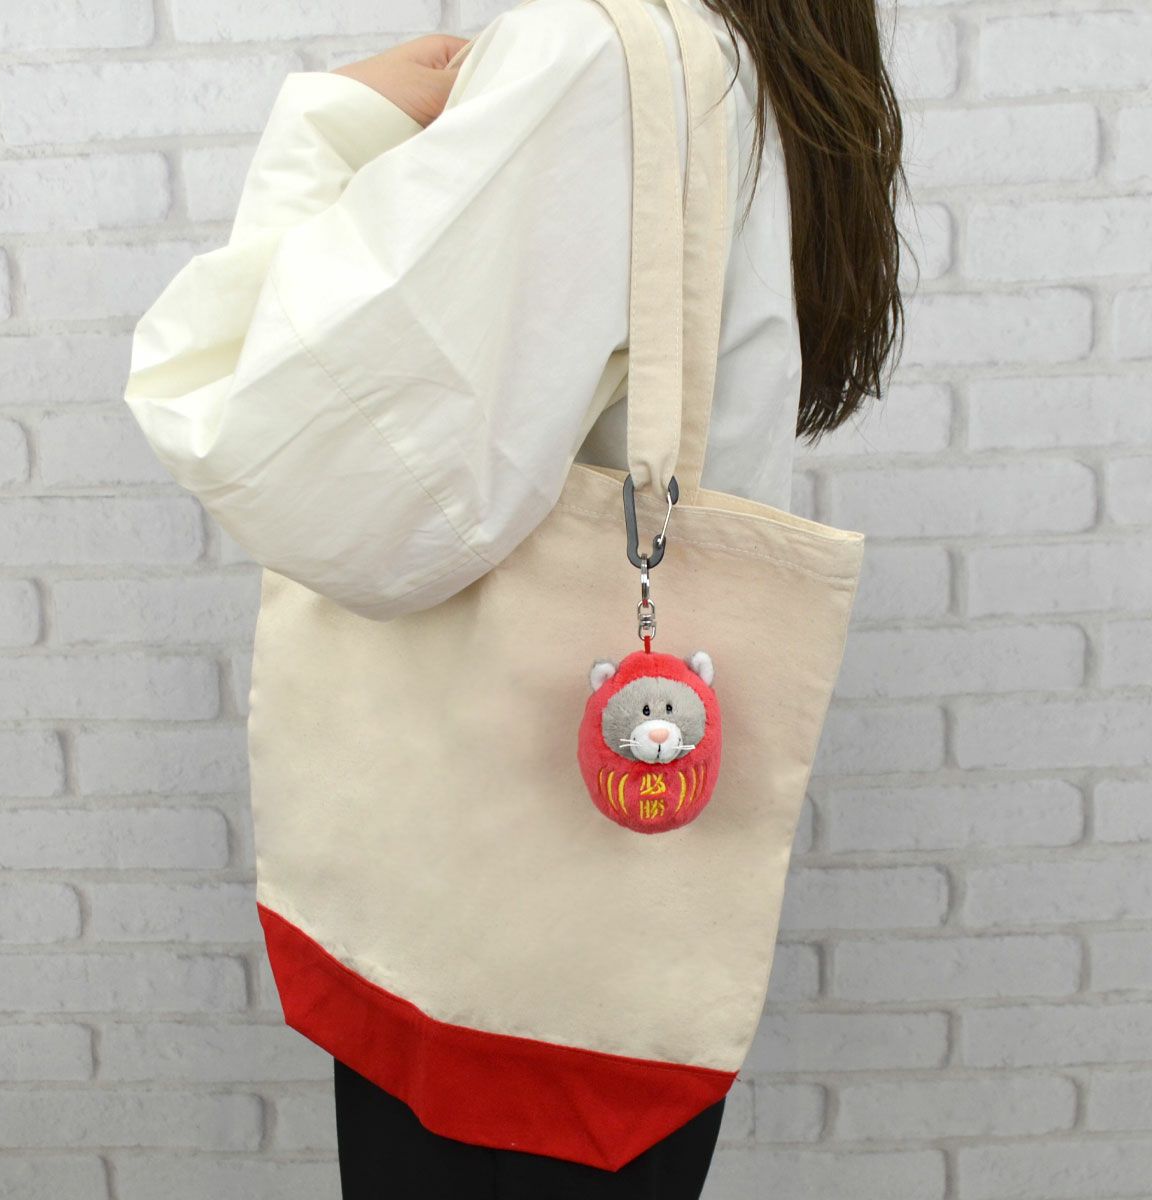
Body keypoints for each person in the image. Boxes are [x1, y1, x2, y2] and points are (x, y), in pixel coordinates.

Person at [123, 0, 907, 1194]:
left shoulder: (594, 55)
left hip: (474, 959)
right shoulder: (738, 54)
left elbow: (284, 446)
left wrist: (333, 127)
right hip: (584, 965)